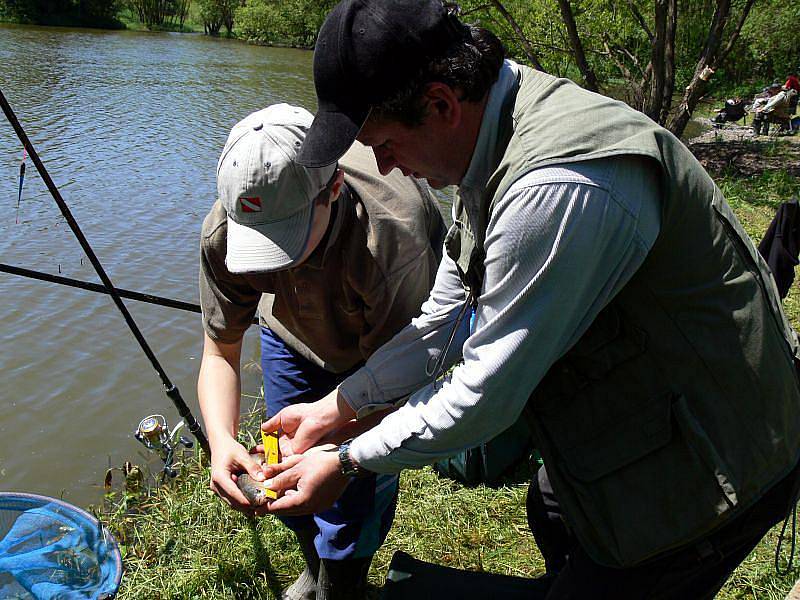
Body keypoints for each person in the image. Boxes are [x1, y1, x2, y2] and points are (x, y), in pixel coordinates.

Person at [260, 2, 800, 598]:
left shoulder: (553, 189)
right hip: (646, 410)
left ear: (440, 104)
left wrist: (350, 461)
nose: (383, 165)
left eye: (383, 143)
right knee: (552, 509)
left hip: (722, 456)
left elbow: (482, 395)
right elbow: (441, 325)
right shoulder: (486, 131)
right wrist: (336, 406)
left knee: (615, 558)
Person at [197, 103, 446, 600]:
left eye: (284, 239)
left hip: (378, 359)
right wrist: (222, 441)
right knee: (282, 473)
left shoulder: (393, 237)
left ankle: (344, 583)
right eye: (257, 242)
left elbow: (405, 386)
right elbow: (219, 353)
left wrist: (345, 453)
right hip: (289, 336)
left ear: (332, 191)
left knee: (353, 496)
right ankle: (315, 569)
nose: (272, 263)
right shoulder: (225, 230)